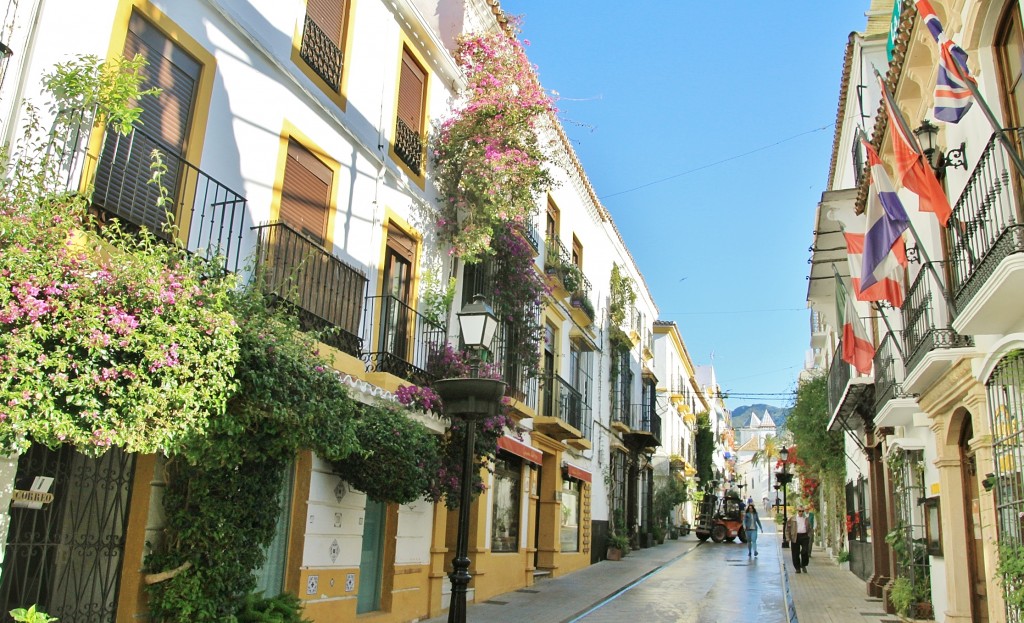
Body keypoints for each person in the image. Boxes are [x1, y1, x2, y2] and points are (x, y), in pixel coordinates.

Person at [786, 506, 813, 573]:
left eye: (802, 511)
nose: (801, 512)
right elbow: (787, 529)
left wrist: (809, 535)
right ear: (797, 511)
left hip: (804, 536)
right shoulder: (793, 519)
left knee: (805, 551)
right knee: (795, 553)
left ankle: (803, 564)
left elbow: (810, 527)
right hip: (795, 536)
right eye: (799, 511)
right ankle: (797, 568)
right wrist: (788, 537)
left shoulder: (806, 519)